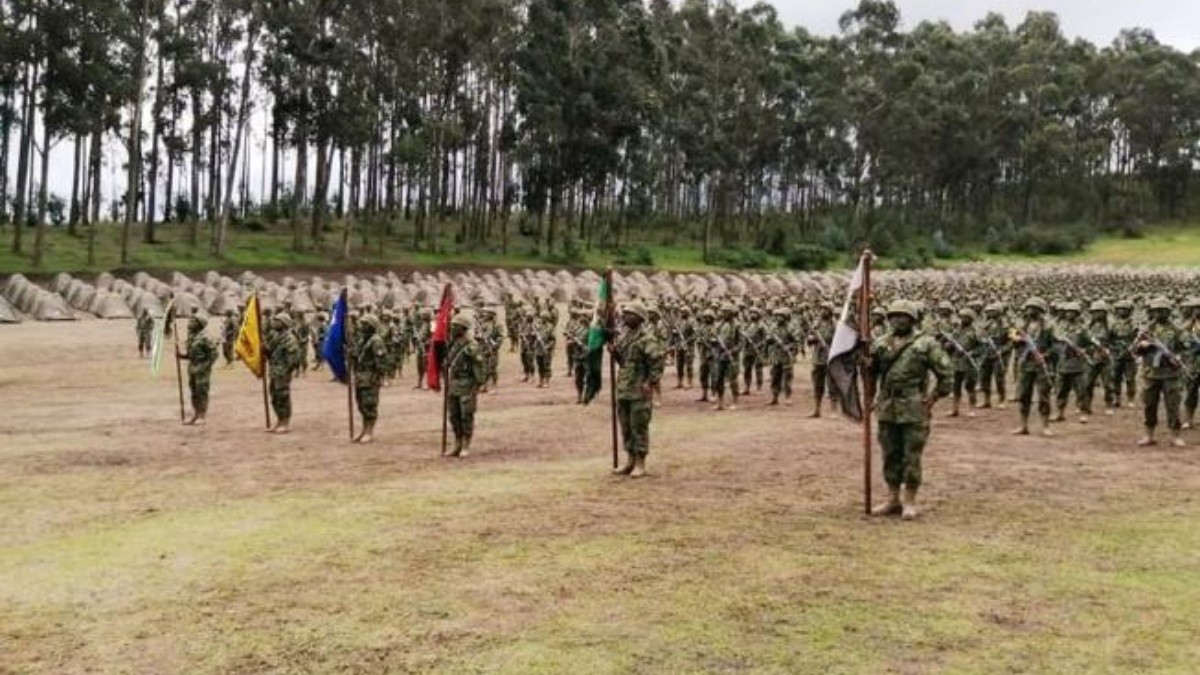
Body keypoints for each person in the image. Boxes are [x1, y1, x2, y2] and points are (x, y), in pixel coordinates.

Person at [868, 300, 953, 520]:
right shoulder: (880, 343)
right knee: (890, 454)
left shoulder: (925, 343)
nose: (897, 319)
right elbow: (871, 373)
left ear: (913, 319)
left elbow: (946, 374)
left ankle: (910, 501)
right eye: (893, 315)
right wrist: (870, 395)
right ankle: (892, 498)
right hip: (887, 407)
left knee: (911, 455)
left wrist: (931, 399)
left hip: (914, 408)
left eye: (903, 316)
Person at [611, 301, 665, 478]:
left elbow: (657, 362)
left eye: (630, 314)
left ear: (639, 318)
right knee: (626, 426)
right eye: (625, 313)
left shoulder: (647, 338)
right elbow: (623, 362)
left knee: (638, 426)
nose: (625, 316)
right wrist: (614, 352)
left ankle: (640, 463)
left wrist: (650, 382)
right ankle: (630, 460)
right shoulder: (626, 337)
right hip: (624, 387)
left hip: (639, 389)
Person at [1135, 297, 1186, 447]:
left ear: (1168, 312)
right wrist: (1143, 345)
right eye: (1156, 311)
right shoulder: (1146, 330)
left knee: (1173, 405)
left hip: (1170, 374)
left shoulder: (1176, 329)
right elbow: (1134, 351)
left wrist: (1178, 357)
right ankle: (1149, 435)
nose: (1159, 313)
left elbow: (1185, 348)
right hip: (1151, 373)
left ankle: (1174, 436)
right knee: (1149, 405)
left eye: (1162, 311)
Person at [1011, 298, 1057, 436]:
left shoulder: (1049, 327)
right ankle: (1023, 425)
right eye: (1028, 308)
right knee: (1024, 395)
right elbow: (1014, 344)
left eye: (1034, 308)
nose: (1030, 311)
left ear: (1040, 311)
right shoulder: (1021, 326)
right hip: (1026, 364)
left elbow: (1056, 346)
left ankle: (1046, 426)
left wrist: (1045, 355)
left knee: (1044, 395)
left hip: (1042, 365)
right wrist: (1017, 339)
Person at [445, 311, 487, 457]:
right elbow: (447, 362)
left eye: (455, 326)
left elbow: (479, 367)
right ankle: (457, 443)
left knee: (466, 415)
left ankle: (465, 445)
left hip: (467, 384)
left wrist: (478, 385)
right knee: (454, 416)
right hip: (454, 384)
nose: (452, 328)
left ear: (462, 328)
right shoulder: (452, 344)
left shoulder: (472, 346)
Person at [176, 313, 218, 425]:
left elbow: (214, 353)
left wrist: (206, 365)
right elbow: (191, 354)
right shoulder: (192, 337)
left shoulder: (205, 337)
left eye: (193, 322)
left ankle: (202, 415)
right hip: (193, 368)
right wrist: (181, 355)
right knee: (194, 392)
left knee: (202, 392)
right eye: (190, 321)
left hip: (202, 369)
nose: (190, 323)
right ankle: (196, 414)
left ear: (199, 324)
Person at [353, 314, 387, 443]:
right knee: (361, 405)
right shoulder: (363, 340)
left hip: (370, 376)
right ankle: (364, 429)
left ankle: (369, 431)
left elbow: (381, 360)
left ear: (371, 326)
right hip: (361, 377)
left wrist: (379, 377)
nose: (362, 326)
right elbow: (357, 356)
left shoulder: (376, 340)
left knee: (369, 405)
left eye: (365, 324)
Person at [266, 312, 301, 433]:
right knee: (274, 398)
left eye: (278, 321)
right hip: (274, 372)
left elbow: (293, 358)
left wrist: (285, 371)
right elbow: (271, 353)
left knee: (283, 397)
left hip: (282, 373)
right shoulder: (277, 337)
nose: (274, 323)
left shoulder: (289, 338)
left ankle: (285, 422)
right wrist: (265, 349)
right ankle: (279, 420)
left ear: (284, 323)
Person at [766, 307, 799, 406]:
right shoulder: (773, 327)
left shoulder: (791, 328)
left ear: (786, 317)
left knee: (787, 378)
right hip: (776, 355)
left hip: (786, 356)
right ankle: (774, 397)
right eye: (778, 316)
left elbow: (796, 342)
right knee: (775, 377)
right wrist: (770, 339)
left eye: (781, 316)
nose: (778, 318)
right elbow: (768, 339)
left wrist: (788, 347)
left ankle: (788, 397)